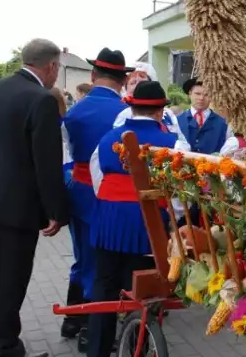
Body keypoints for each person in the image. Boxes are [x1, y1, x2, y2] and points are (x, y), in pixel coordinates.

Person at [0, 38, 68, 357]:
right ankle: (3, 346)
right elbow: (46, 163)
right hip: (16, 210)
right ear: (50, 66)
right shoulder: (41, 100)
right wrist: (57, 212)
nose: (55, 75)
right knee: (12, 279)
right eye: (57, 68)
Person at [87, 81, 181, 357]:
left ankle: (97, 350)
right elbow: (177, 197)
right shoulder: (175, 144)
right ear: (161, 111)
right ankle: (134, 347)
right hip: (147, 229)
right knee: (142, 295)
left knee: (103, 290)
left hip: (108, 224)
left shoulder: (107, 139)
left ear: (131, 106)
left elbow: (97, 180)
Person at [60, 48, 132, 347]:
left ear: (92, 75)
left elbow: (61, 155)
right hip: (112, 197)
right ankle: (93, 331)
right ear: (124, 79)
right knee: (105, 265)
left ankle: (72, 320)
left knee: (82, 257)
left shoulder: (73, 111)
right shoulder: (126, 113)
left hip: (79, 193)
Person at [113, 62, 189, 149]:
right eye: (133, 83)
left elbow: (182, 143)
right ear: (126, 89)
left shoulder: (168, 114)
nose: (138, 85)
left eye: (142, 80)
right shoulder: (123, 115)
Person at [177, 79, 228, 154]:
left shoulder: (223, 124)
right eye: (197, 94)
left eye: (206, 95)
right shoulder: (177, 121)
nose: (201, 98)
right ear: (190, 93)